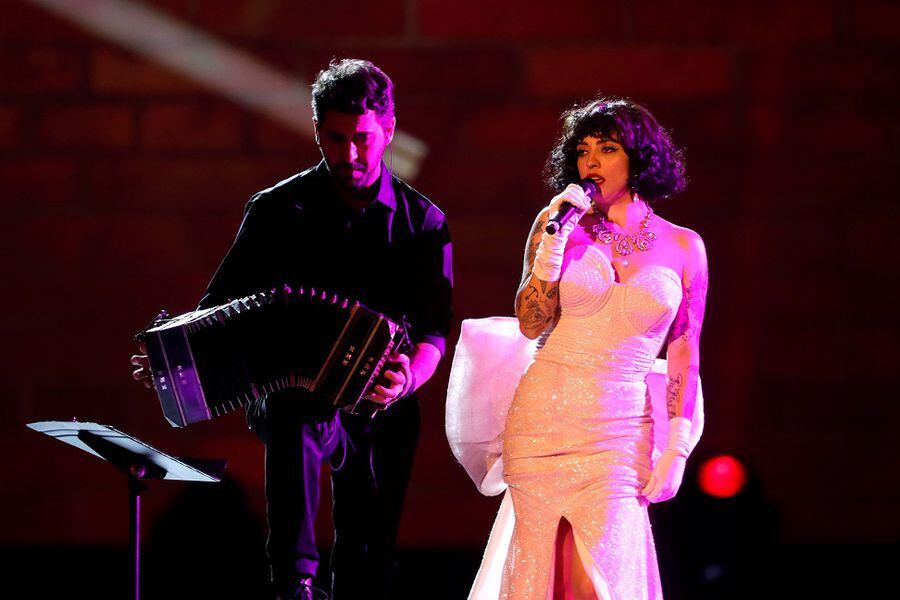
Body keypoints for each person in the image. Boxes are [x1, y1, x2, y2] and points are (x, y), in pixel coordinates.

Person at [132, 59, 453, 600]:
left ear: (389, 131)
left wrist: (407, 379)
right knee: (293, 409)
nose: (351, 154)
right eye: (335, 138)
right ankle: (295, 583)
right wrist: (168, 356)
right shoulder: (277, 211)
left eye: (363, 139)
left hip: (382, 407)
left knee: (368, 562)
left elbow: (435, 331)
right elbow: (215, 310)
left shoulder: (423, 223)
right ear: (317, 132)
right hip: (294, 402)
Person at [455, 96, 707, 599]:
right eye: (583, 151)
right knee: (541, 579)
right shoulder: (560, 228)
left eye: (607, 149)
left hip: (619, 431)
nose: (590, 163)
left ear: (638, 158)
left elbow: (684, 349)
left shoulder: (684, 246)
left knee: (600, 583)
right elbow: (530, 323)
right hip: (543, 420)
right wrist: (549, 252)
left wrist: (677, 448)